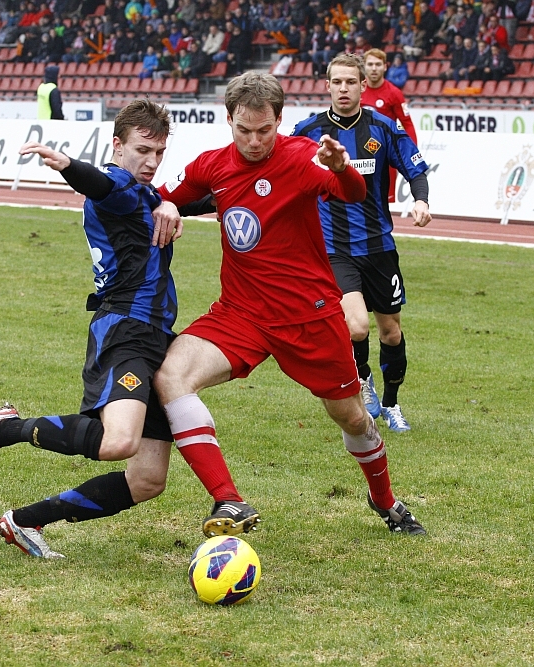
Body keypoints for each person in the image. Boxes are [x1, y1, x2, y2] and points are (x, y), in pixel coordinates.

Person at [152, 72, 427, 537]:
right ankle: (228, 499)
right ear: (228, 119)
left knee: (352, 418)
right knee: (170, 377)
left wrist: (341, 168)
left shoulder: (302, 156)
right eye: (244, 130)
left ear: (279, 120)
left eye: (264, 130)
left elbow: (353, 193)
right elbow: (160, 197)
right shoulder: (210, 165)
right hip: (239, 314)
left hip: (309, 317)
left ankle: (384, 500)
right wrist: (167, 205)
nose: (254, 141)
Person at [0, 100, 196, 559]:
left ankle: (24, 521)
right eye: (142, 150)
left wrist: (172, 200)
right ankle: (6, 429)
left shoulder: (144, 193)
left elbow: (198, 196)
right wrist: (66, 165)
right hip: (125, 328)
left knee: (147, 480)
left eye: (159, 152)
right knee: (119, 441)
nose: (151, 161)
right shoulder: (117, 185)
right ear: (117, 145)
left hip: (157, 337)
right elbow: (101, 185)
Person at [292, 52, 430, 436]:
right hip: (334, 248)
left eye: (350, 82)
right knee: (355, 327)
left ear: (362, 85)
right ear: (327, 86)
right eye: (336, 82)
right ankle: (364, 379)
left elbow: (415, 169)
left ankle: (392, 403)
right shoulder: (307, 131)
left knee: (391, 332)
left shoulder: (382, 127)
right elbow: (282, 173)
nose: (343, 89)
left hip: (379, 247)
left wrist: (421, 200)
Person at [361, 48, 417, 204]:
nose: (374, 68)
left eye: (378, 64)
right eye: (370, 64)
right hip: (358, 153)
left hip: (384, 153)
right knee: (358, 200)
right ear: (364, 67)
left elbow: (407, 123)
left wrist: (411, 151)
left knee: (384, 203)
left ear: (385, 67)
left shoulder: (394, 93)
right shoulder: (356, 90)